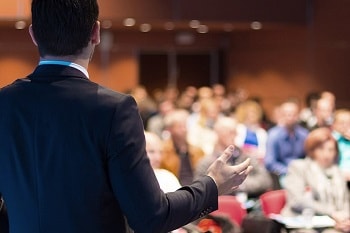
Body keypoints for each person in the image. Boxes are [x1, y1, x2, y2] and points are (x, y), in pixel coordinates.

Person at [0, 1, 252, 233]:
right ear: (96, 32)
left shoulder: (5, 102)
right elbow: (151, 217)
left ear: (33, 34)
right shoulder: (113, 109)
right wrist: (212, 186)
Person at [282, 127, 350, 233]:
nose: (326, 154)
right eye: (321, 149)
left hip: (333, 224)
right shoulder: (299, 167)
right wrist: (332, 212)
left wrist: (345, 219)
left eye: (331, 150)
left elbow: (346, 201)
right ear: (312, 150)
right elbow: (297, 201)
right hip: (303, 222)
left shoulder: (338, 172)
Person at [195, 117, 273, 199]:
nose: (234, 135)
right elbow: (200, 190)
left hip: (250, 203)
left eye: (235, 131)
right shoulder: (206, 162)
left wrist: (239, 185)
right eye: (229, 131)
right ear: (218, 133)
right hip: (220, 207)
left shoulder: (247, 156)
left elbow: (266, 180)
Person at [264, 98, 309, 188]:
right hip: (282, 174)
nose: (290, 117)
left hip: (302, 172)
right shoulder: (273, 135)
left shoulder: (304, 134)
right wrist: (288, 171)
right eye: (287, 114)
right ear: (281, 116)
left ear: (298, 115)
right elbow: (270, 162)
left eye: (293, 114)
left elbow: (309, 157)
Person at [161, 109, 206, 186]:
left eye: (185, 126)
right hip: (174, 190)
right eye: (179, 127)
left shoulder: (198, 151)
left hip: (196, 189)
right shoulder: (162, 151)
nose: (184, 129)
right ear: (170, 129)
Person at [332, 109, 350, 183]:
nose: (345, 125)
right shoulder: (330, 140)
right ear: (334, 124)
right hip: (337, 178)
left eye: (348, 123)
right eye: (342, 123)